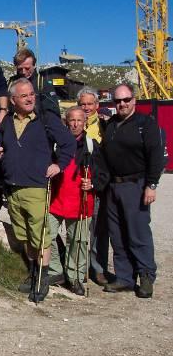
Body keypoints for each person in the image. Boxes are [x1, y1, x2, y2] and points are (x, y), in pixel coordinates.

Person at [0, 78, 75, 302]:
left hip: (37, 186)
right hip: (13, 188)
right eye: (24, 95)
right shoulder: (7, 122)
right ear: (13, 100)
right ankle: (34, 272)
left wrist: (59, 165)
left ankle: (42, 278)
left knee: (39, 234)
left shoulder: (46, 119)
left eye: (31, 94)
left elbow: (68, 143)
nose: (30, 98)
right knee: (24, 235)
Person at [101, 83, 164, 298]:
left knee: (138, 234)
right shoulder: (110, 125)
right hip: (113, 186)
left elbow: (156, 156)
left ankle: (146, 276)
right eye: (118, 101)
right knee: (117, 236)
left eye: (126, 99)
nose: (122, 104)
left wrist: (151, 185)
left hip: (135, 185)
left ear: (134, 100)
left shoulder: (145, 124)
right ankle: (125, 278)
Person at [47, 106, 108, 295]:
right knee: (46, 236)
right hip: (56, 199)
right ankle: (55, 270)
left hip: (81, 201)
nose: (75, 124)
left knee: (78, 242)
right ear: (66, 122)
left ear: (85, 123)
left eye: (79, 120)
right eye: (72, 120)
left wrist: (93, 184)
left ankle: (75, 277)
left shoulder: (92, 146)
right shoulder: (56, 144)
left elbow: (104, 173)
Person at [77, 86, 108, 284]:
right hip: (78, 184)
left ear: (97, 105)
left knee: (98, 229)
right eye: (83, 104)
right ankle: (78, 268)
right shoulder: (72, 123)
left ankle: (98, 268)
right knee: (79, 228)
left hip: (99, 182)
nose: (87, 107)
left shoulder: (107, 125)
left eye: (90, 104)